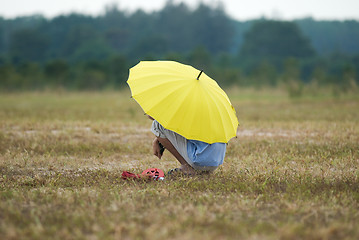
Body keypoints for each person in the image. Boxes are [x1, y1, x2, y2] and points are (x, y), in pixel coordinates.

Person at [148, 115, 226, 175]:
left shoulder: (185, 103)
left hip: (199, 160)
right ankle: (204, 171)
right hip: (216, 161)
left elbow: (152, 116)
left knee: (157, 125)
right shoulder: (209, 108)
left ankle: (186, 167)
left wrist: (158, 137)